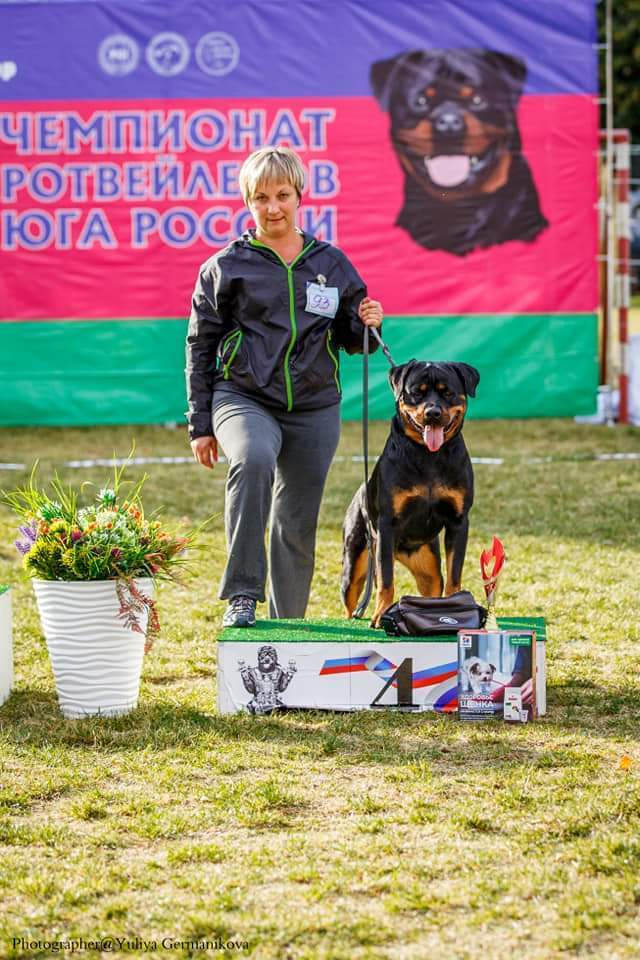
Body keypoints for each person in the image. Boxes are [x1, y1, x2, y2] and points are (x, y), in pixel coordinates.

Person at [186, 147, 383, 627]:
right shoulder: (225, 267)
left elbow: (353, 340)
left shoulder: (331, 263)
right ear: (247, 201)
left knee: (296, 521)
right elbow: (200, 345)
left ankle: (288, 626)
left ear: (299, 196)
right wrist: (200, 423)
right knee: (252, 458)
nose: (272, 207)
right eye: (261, 197)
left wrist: (369, 322)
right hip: (243, 397)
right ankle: (242, 594)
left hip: (315, 406)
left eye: (282, 195)